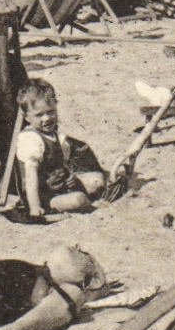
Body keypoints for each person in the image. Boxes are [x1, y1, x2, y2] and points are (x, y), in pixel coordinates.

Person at [11, 79, 105, 223]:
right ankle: (60, 208)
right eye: (39, 115)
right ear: (27, 117)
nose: (47, 118)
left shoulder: (55, 136)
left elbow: (63, 164)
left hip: (58, 187)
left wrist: (70, 177)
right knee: (79, 199)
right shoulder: (30, 139)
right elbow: (30, 177)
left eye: (51, 112)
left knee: (97, 179)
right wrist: (35, 208)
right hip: (41, 196)